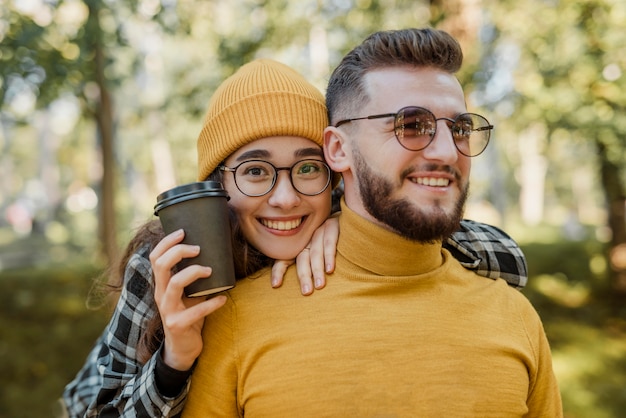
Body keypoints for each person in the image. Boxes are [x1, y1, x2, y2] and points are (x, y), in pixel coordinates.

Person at [62, 57, 529, 417]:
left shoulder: (341, 215)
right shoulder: (170, 261)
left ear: (337, 171)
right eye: (255, 171)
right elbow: (90, 404)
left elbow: (510, 259)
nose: (285, 198)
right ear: (217, 187)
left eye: (308, 169)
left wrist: (351, 226)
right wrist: (173, 361)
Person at [181, 29, 562, 417]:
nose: (448, 152)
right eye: (411, 125)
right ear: (338, 149)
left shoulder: (515, 317)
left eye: (460, 128)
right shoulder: (229, 316)